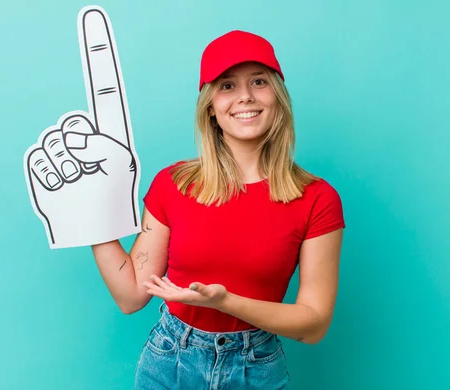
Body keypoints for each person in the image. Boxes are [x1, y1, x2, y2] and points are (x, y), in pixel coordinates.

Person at [91, 29, 345, 389]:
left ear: (278, 95)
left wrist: (227, 302)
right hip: (169, 361)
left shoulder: (318, 199)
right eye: (227, 86)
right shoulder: (173, 184)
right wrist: (86, 217)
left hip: (255, 367)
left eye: (258, 81)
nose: (244, 97)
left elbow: (314, 324)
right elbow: (131, 295)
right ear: (210, 105)